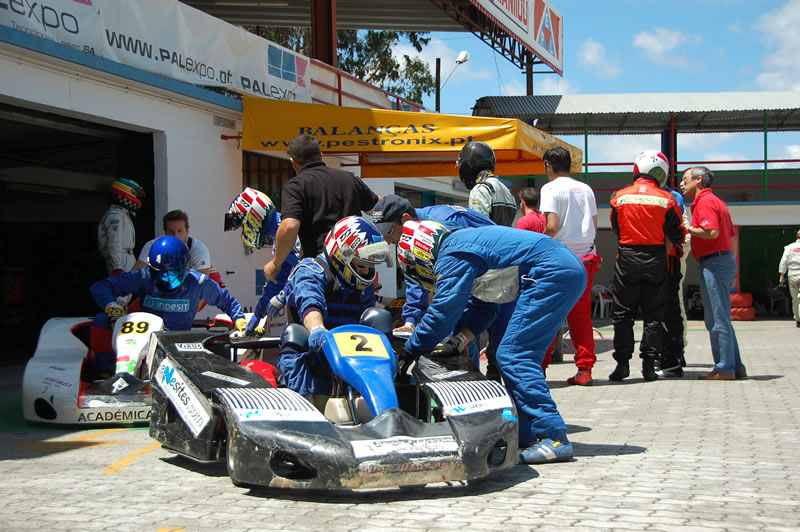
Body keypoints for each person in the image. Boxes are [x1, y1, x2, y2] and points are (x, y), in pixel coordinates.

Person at [396, 221, 586, 464]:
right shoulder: (462, 243)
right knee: (522, 355)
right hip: (563, 266)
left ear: (420, 256)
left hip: (549, 271)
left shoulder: (451, 254)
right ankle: (527, 433)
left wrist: (411, 349)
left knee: (514, 355)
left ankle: (554, 437)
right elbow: (486, 306)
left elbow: (443, 312)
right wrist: (459, 340)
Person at [89, 236, 247, 377]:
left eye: (172, 274)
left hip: (177, 348)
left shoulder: (198, 282)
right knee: (102, 320)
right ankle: (108, 374)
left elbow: (227, 301)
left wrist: (239, 319)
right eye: (160, 274)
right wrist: (111, 305)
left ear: (185, 269)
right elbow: (101, 286)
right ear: (151, 269)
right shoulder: (143, 276)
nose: (165, 279)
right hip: (143, 343)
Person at [371, 194, 493, 373]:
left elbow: (458, 285)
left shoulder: (443, 227)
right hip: (479, 276)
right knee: (456, 333)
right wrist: (410, 321)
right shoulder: (414, 231)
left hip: (505, 275)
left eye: (389, 232)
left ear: (405, 219)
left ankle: (468, 383)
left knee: (506, 352)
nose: (389, 241)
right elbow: (416, 274)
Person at [278, 216, 390, 399]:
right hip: (315, 363)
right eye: (363, 264)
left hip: (353, 364)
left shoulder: (364, 284)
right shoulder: (311, 269)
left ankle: (382, 400)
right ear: (342, 254)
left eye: (371, 265)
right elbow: (310, 301)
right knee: (295, 335)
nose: (366, 271)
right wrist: (317, 328)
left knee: (379, 317)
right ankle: (301, 403)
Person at [609, 151, 686, 382]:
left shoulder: (619, 197)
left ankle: (622, 365)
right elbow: (678, 234)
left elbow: (616, 228)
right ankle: (649, 367)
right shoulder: (668, 199)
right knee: (654, 315)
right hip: (656, 259)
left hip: (627, 257)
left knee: (623, 314)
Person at [262, 134, 380, 283]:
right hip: (356, 271)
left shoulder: (295, 186)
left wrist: (275, 263)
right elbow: (379, 207)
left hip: (320, 271)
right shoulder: (350, 180)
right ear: (321, 155)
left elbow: (290, 226)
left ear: (293, 162)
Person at [538, 146, 602, 386]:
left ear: (548, 166)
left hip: (559, 260)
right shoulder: (586, 189)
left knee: (549, 316)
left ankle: (540, 370)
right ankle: (584, 370)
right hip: (586, 259)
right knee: (581, 317)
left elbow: (552, 227)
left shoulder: (550, 189)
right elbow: (594, 226)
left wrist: (537, 242)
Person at [456, 140, 517, 380]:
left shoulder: (481, 189)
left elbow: (476, 230)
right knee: (500, 332)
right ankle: (499, 380)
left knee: (473, 325)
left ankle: (476, 381)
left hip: (486, 270)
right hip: (507, 268)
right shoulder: (505, 189)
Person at [681, 166, 747, 380]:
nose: (681, 184)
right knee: (723, 318)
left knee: (716, 319)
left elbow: (711, 232)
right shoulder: (718, 202)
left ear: (698, 180)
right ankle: (736, 366)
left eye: (685, 179)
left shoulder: (704, 202)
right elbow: (732, 237)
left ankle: (724, 368)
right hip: (723, 261)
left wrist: (686, 228)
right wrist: (732, 266)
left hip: (714, 263)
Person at [223, 187, 300, 333]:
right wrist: (257, 316)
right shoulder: (279, 237)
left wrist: (284, 293)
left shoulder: (288, 230)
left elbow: (309, 265)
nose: (244, 231)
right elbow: (276, 281)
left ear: (254, 216)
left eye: (243, 226)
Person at [133, 209, 224, 285]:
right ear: (165, 232)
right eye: (171, 231)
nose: (176, 236)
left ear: (187, 231)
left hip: (196, 281)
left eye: (180, 231)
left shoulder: (198, 250)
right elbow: (134, 274)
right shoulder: (152, 246)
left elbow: (202, 285)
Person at [658, 176, 691, 377]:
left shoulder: (674, 198)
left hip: (669, 260)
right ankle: (662, 352)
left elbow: (682, 235)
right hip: (655, 259)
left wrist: (669, 253)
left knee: (674, 304)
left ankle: (678, 351)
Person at [456, 141, 517, 227]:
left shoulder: (480, 189)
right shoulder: (506, 190)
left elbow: (478, 226)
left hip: (490, 235)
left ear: (468, 164)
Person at [98, 178, 145, 276]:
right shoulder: (116, 215)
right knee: (126, 285)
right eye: (135, 194)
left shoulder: (123, 214)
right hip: (121, 260)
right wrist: (117, 266)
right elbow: (115, 242)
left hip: (126, 257)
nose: (136, 197)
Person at [778, 229, 800, 327]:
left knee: (795, 299)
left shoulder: (789, 247)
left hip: (793, 275)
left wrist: (782, 276)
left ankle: (798, 320)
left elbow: (783, 262)